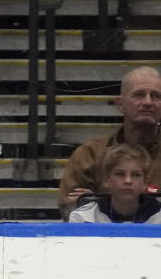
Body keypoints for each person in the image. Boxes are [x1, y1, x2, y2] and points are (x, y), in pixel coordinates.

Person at [58, 66, 161, 220]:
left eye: (156, 96)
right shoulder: (89, 154)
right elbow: (70, 210)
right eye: (139, 95)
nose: (148, 102)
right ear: (120, 104)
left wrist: (98, 201)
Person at [68, 144, 161, 224]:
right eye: (120, 174)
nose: (128, 181)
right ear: (106, 180)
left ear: (145, 183)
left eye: (136, 175)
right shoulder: (83, 218)